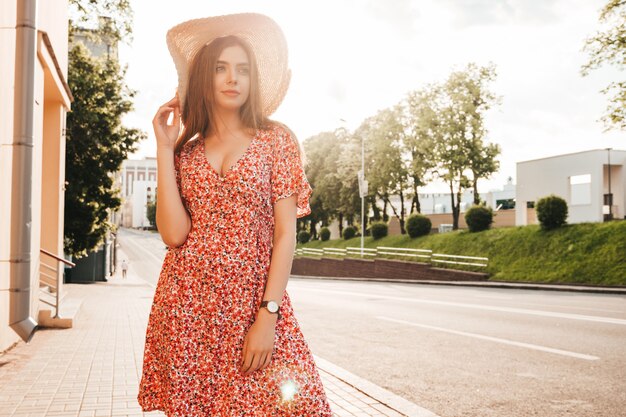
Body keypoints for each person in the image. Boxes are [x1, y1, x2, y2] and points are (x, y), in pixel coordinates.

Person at [137, 13, 333, 416]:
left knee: (298, 403)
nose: (233, 78)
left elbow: (284, 235)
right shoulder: (185, 153)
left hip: (252, 305)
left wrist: (268, 314)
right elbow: (174, 235)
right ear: (206, 78)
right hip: (188, 307)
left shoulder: (276, 140)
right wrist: (163, 146)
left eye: (242, 69)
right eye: (222, 68)